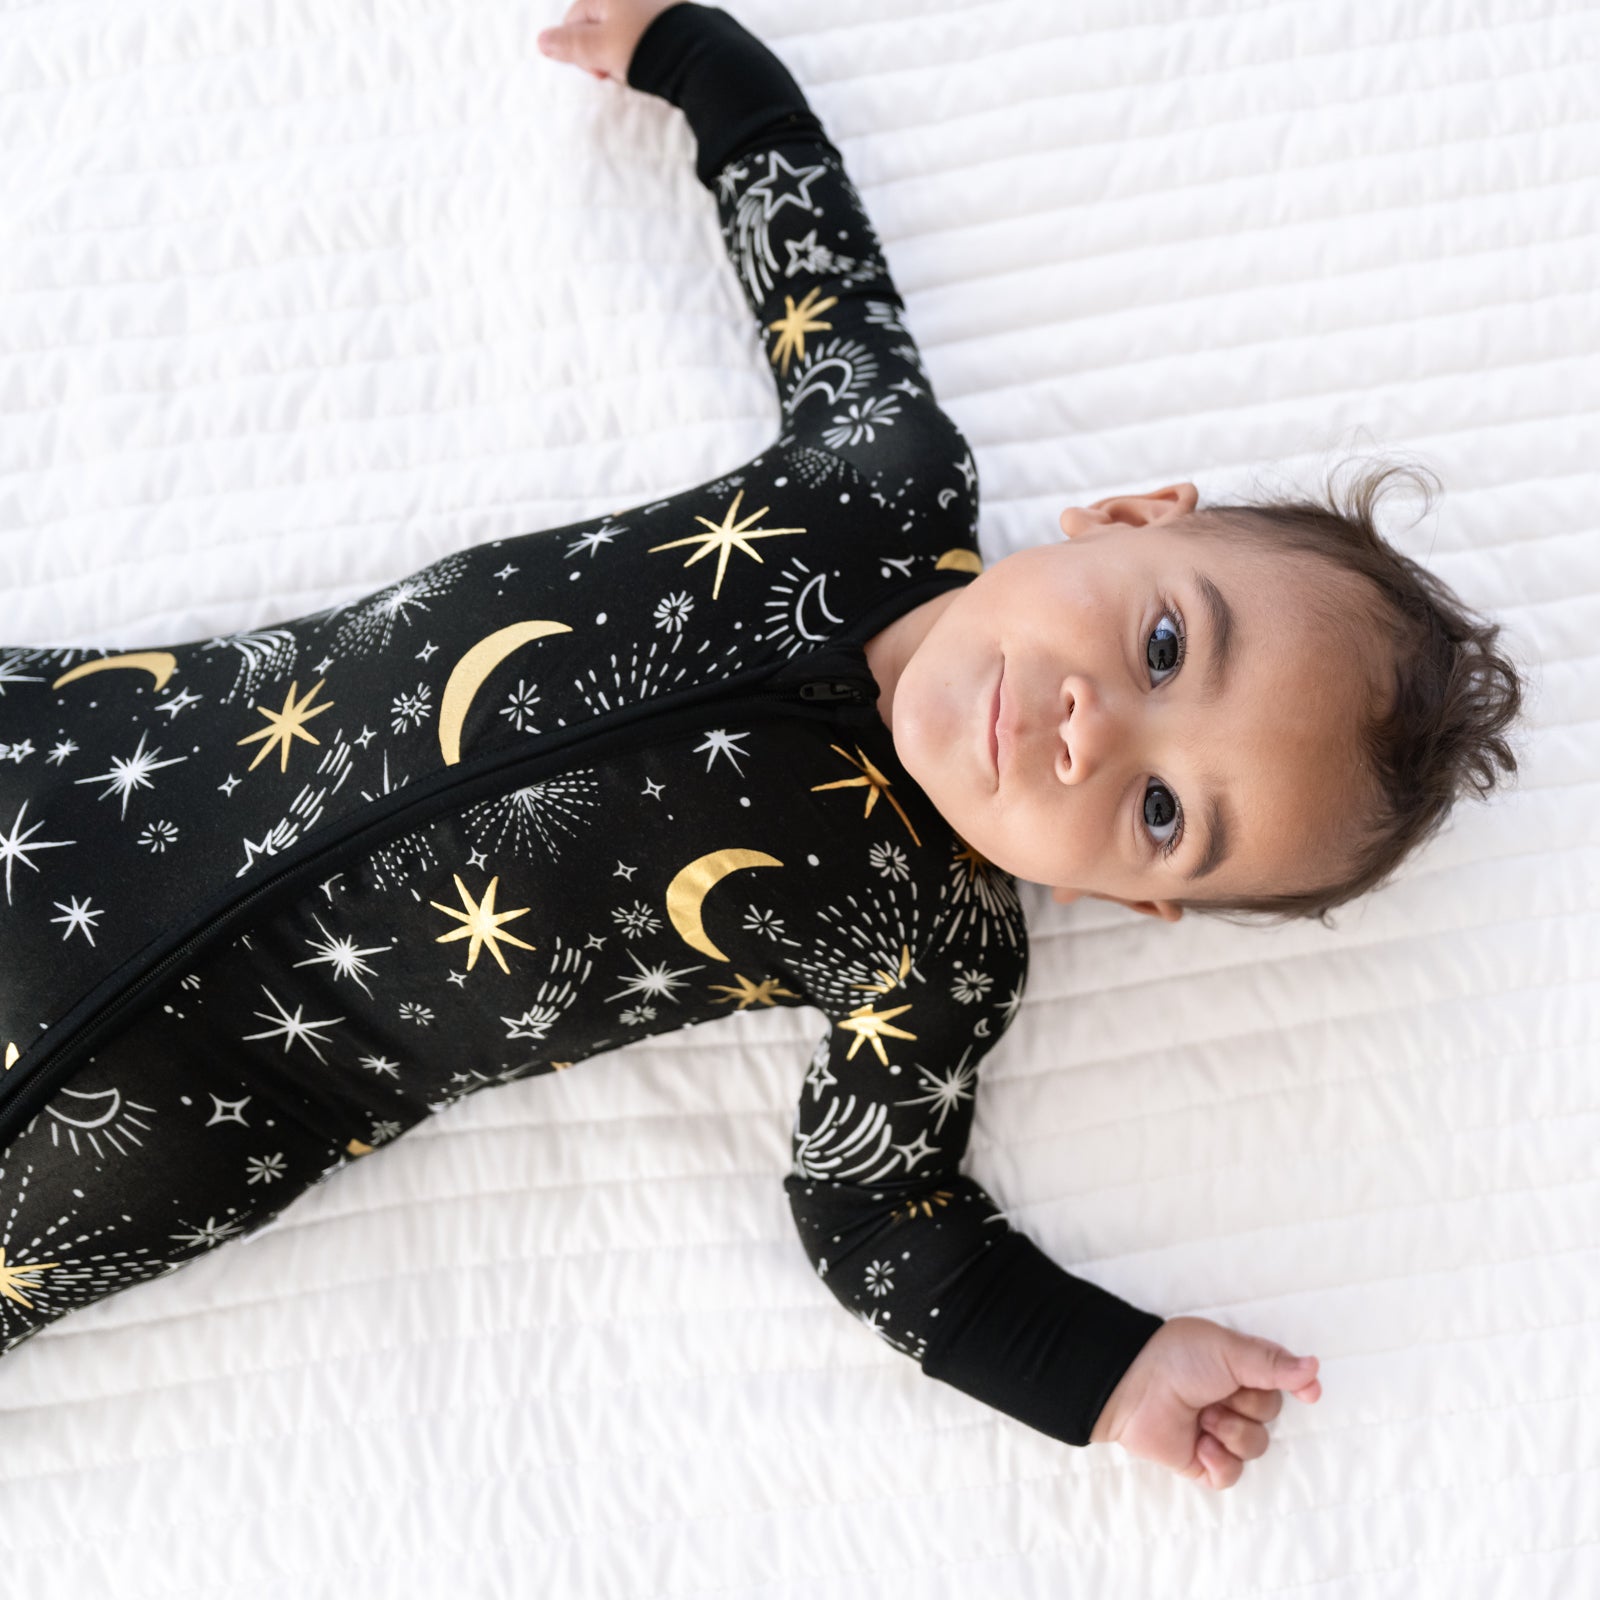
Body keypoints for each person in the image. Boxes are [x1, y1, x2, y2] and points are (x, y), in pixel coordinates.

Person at [0, 1, 1523, 1493]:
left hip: (193, 1107)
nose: (1088, 731)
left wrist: (1103, 1369)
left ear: (1138, 899)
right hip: (120, 743)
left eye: (1164, 811)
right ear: (1128, 519)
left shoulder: (936, 948)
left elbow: (878, 1211)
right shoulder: (879, 478)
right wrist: (692, 54)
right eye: (1165, 647)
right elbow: (819, 277)